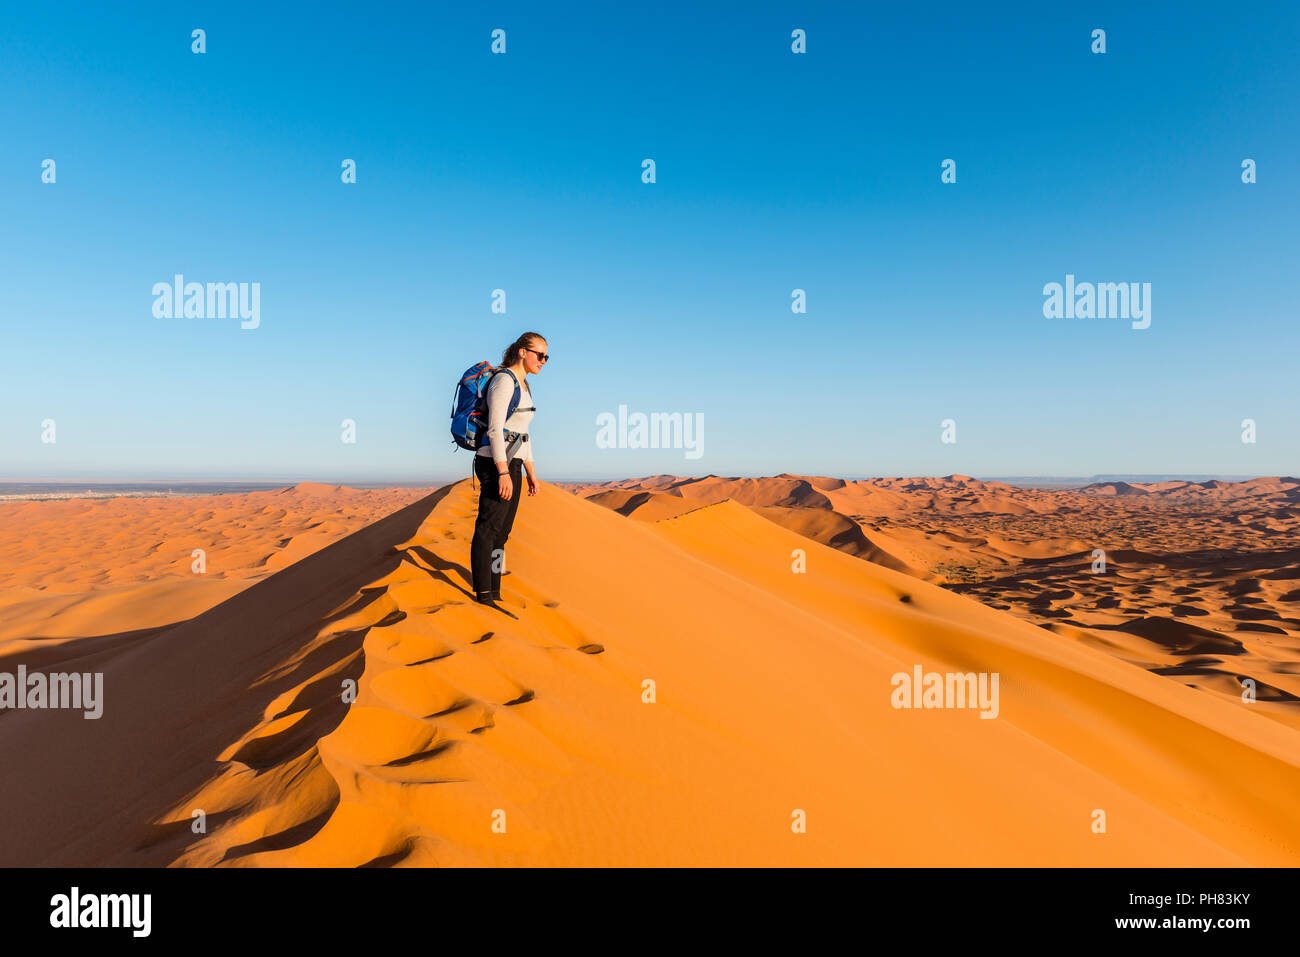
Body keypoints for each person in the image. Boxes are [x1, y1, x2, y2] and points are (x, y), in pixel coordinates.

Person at [470, 331, 546, 609]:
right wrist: (502, 472)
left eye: (546, 356)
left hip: (513, 462)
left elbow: (523, 435)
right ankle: (483, 594)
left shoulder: (525, 386)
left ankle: (496, 588)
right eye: (540, 355)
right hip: (494, 462)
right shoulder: (504, 381)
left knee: (502, 532)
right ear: (522, 352)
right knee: (488, 527)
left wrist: (531, 474)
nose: (544, 361)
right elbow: (494, 428)